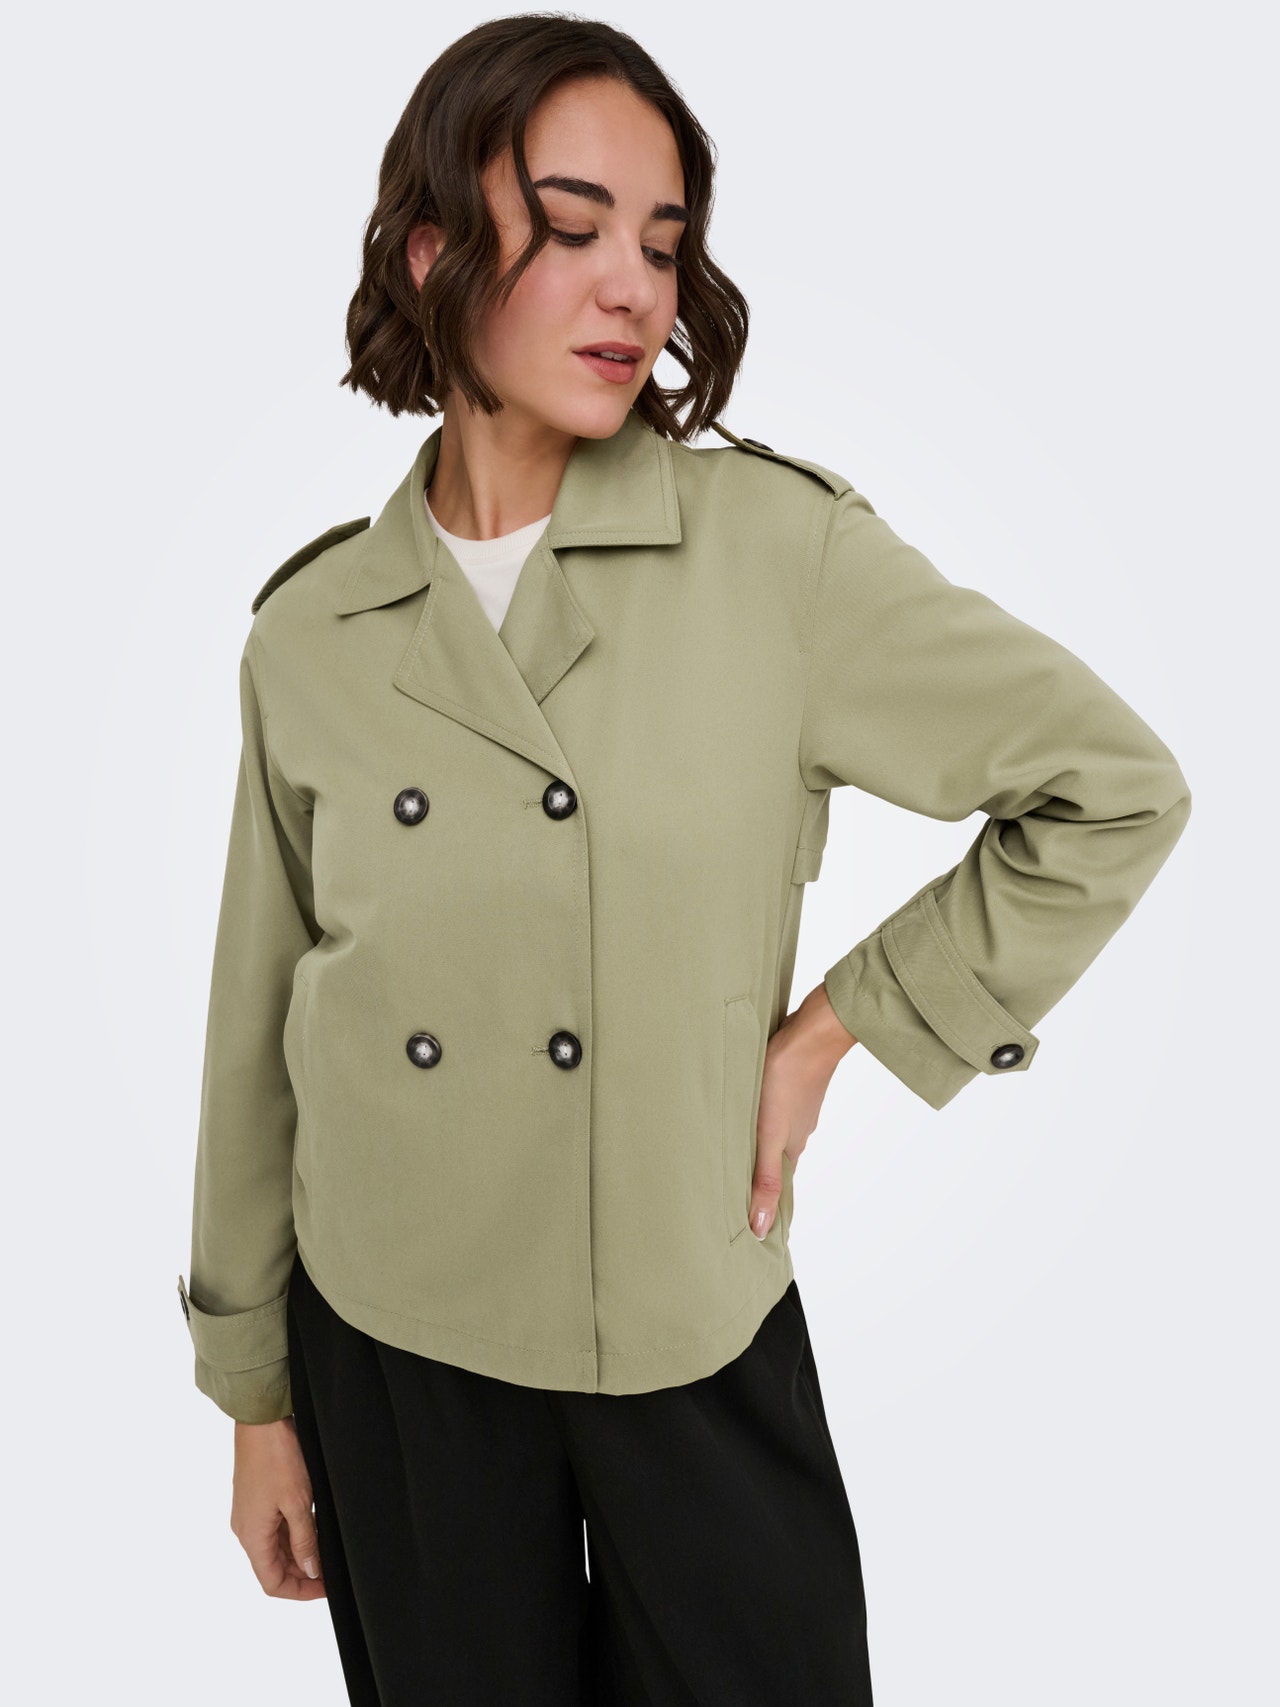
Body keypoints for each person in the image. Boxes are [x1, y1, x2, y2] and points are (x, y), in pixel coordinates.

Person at [178, 14, 1192, 1705]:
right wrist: (254, 1397)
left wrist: (840, 1030)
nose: (633, 290)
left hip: (683, 1326)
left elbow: (1111, 787)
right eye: (572, 229)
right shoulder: (316, 628)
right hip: (392, 1344)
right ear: (431, 254)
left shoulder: (776, 557)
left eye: (660, 244)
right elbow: (258, 1030)